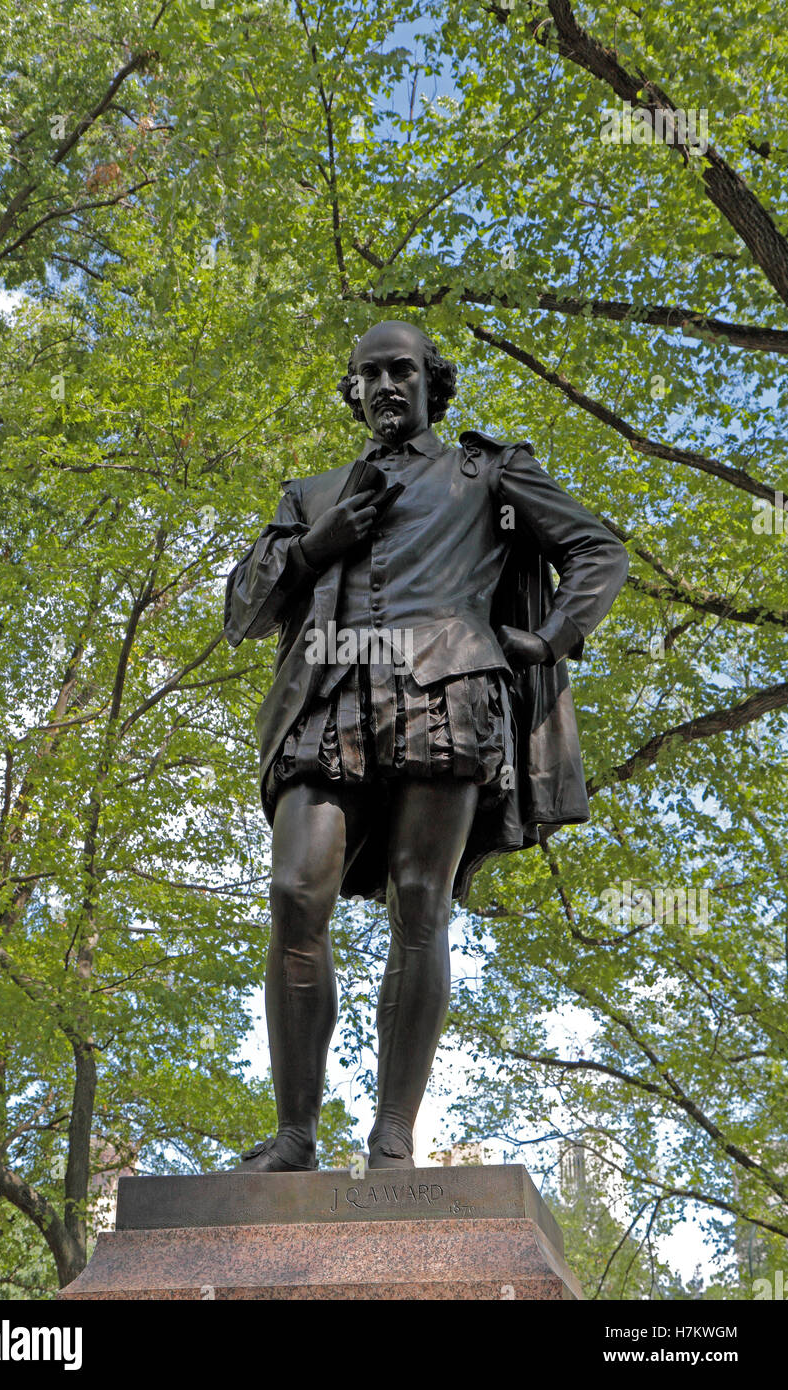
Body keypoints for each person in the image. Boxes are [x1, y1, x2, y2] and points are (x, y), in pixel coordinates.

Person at [223, 319, 628, 1172]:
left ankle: (393, 1135)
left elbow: (595, 547)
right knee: (296, 895)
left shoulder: (487, 470)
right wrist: (313, 547)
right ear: (354, 390)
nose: (383, 386)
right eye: (367, 374)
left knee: (420, 901)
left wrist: (550, 636)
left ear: (429, 381)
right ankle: (295, 1135)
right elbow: (245, 613)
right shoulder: (311, 491)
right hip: (329, 693)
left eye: (399, 370)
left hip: (446, 689)